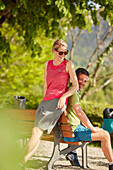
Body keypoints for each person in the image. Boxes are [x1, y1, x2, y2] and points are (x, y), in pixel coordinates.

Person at [19, 39, 78, 169]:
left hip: (57, 102)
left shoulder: (68, 65)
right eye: (61, 52)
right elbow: (46, 85)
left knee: (36, 131)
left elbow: (75, 86)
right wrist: (43, 100)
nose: (63, 55)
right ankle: (21, 162)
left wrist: (63, 97)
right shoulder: (47, 64)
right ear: (54, 51)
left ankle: (16, 160)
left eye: (65, 53)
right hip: (45, 102)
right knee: (37, 135)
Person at [64, 68, 113, 170]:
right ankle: (112, 164)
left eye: (85, 81)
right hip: (73, 131)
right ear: (74, 78)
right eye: (80, 79)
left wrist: (88, 125)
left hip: (68, 129)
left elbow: (74, 112)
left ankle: (73, 152)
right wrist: (92, 128)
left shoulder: (69, 90)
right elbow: (79, 112)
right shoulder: (74, 92)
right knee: (105, 135)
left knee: (101, 130)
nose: (82, 83)